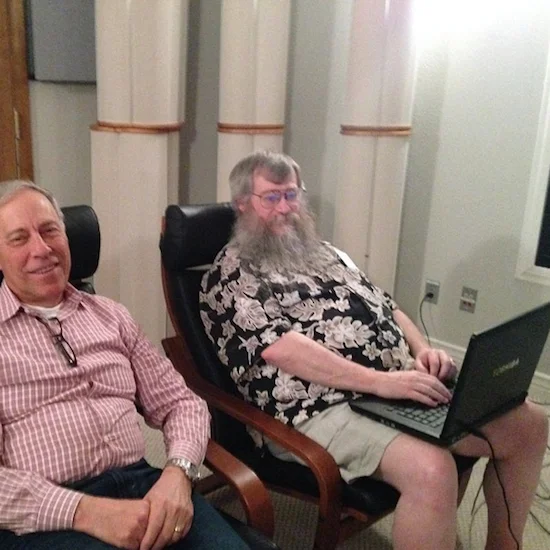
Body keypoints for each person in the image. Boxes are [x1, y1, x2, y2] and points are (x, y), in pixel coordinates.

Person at [200, 150, 549, 550]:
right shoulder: (233, 273)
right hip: (315, 410)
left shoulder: (325, 253)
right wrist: (381, 383)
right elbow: (282, 350)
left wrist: (422, 351)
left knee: (529, 424)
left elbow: (387, 306)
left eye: (292, 194)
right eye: (271, 197)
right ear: (242, 204)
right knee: (432, 469)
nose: (285, 208)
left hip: (395, 384)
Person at [0, 181, 250, 550]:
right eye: (19, 238)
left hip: (146, 487)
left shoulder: (112, 316)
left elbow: (180, 403)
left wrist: (178, 474)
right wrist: (85, 512)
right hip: (49, 517)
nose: (42, 249)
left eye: (50, 230)